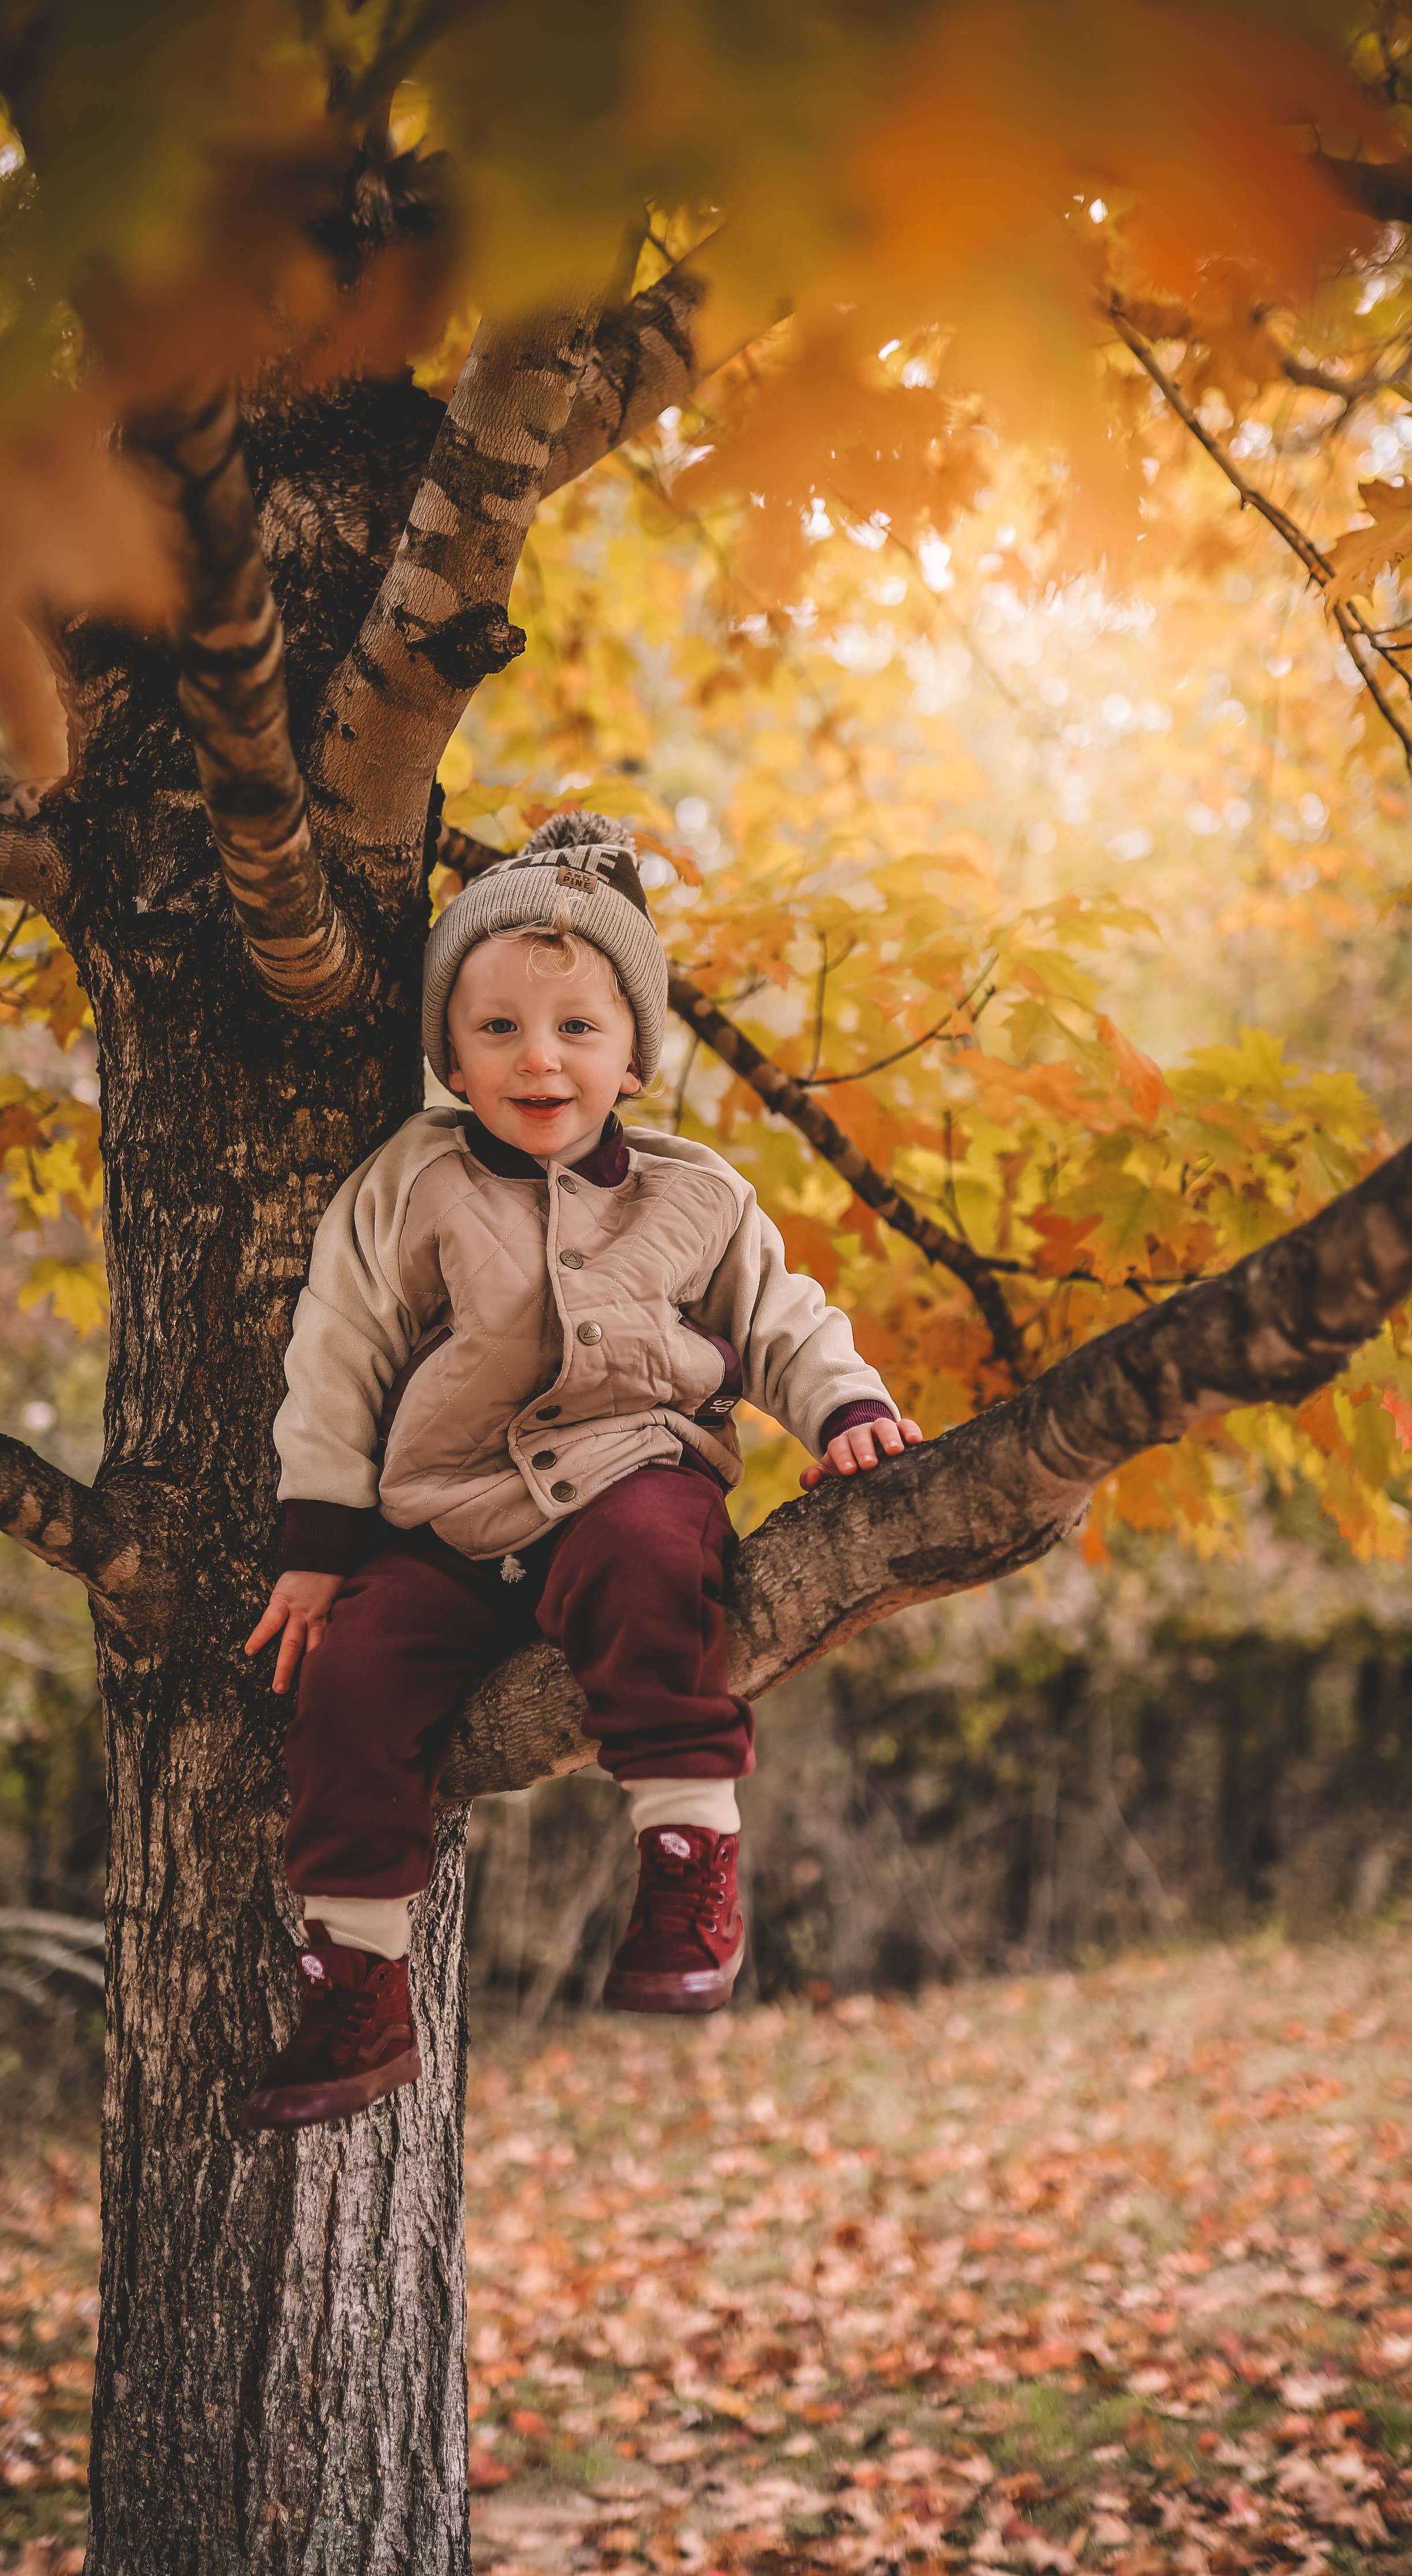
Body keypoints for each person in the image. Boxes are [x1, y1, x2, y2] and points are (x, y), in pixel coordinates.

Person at [240, 811, 920, 2127]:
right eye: (495, 1029)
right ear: (448, 1050)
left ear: (632, 1054)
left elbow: (784, 1316)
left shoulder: (698, 1195)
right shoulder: (412, 1182)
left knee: (663, 1562)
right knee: (349, 1683)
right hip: (447, 1520)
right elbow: (338, 1354)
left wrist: (845, 1406)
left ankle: (685, 1855)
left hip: (625, 1474)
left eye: (576, 1031)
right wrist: (318, 1549)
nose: (537, 1059)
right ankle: (358, 1983)